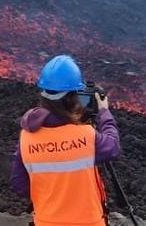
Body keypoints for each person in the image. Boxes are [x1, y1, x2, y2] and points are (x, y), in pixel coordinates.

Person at [11, 55, 121, 226]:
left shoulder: (26, 138)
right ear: (72, 98)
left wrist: (52, 198)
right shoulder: (85, 135)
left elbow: (19, 184)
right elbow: (112, 147)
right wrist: (104, 112)